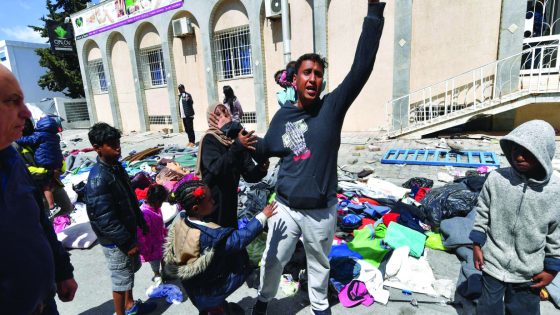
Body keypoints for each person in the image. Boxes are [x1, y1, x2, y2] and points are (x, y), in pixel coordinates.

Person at [250, 1, 385, 314]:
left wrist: (374, 13)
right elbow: (265, 149)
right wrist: (238, 138)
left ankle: (320, 306)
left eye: (318, 74)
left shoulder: (331, 108)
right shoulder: (282, 117)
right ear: (294, 79)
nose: (313, 79)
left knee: (319, 264)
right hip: (284, 208)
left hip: (321, 212)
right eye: (307, 73)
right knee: (273, 260)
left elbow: (361, 69)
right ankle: (264, 300)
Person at [0, 64, 78, 314]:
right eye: (12, 101)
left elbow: (40, 224)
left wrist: (62, 271)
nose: (25, 112)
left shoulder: (13, 158)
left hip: (45, 301)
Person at [470, 120, 560, 315]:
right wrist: (477, 244)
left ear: (543, 154)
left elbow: (556, 232)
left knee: (523, 311)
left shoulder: (555, 191)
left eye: (528, 152)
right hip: (492, 261)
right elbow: (483, 210)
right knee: (487, 309)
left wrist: (552, 269)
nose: (518, 156)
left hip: (529, 270)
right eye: (515, 149)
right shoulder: (496, 179)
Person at [163, 179, 277, 314]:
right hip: (209, 290)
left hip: (193, 285)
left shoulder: (182, 220)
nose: (213, 201)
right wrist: (262, 217)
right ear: (196, 208)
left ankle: (218, 308)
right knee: (214, 309)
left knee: (211, 306)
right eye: (210, 199)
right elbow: (238, 239)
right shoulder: (210, 236)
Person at [85, 122, 155, 315]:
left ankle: (130, 305)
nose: (117, 146)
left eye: (117, 141)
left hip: (127, 231)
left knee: (128, 273)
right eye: (110, 144)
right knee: (120, 279)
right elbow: (103, 218)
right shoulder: (98, 178)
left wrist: (140, 221)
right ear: (97, 148)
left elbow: (130, 198)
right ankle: (120, 312)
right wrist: (125, 241)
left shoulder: (116, 167)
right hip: (115, 241)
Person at [197, 103, 269, 229]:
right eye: (218, 114)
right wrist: (237, 146)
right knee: (216, 237)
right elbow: (216, 169)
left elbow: (248, 173)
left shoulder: (235, 140)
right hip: (212, 202)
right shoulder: (210, 139)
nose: (224, 116)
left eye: (225, 112)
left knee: (230, 235)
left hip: (230, 201)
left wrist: (260, 169)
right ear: (212, 119)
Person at [13, 118, 73, 219]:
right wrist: (47, 172)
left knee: (66, 208)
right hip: (37, 187)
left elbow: (57, 154)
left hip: (53, 180)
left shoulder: (40, 136)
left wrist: (59, 169)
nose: (25, 125)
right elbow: (23, 169)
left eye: (27, 122)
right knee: (46, 218)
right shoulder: (14, 145)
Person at [137, 184, 168, 286]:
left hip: (160, 239)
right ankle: (157, 274)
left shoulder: (156, 208)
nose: (162, 204)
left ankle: (165, 272)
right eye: (162, 202)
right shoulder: (145, 213)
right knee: (155, 261)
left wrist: (164, 232)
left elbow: (160, 223)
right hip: (151, 244)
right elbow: (141, 233)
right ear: (157, 201)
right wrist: (144, 248)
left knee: (164, 257)